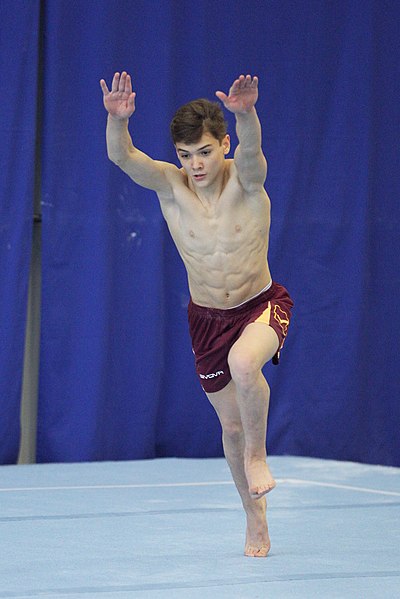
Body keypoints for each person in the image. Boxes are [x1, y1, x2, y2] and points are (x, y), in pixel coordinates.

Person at [100, 71, 293, 557]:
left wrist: (247, 115)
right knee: (228, 426)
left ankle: (258, 455)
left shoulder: (246, 183)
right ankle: (255, 520)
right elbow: (122, 157)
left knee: (246, 364)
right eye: (185, 155)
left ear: (223, 144)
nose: (195, 165)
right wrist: (118, 122)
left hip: (261, 305)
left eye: (205, 152)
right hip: (207, 319)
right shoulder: (171, 187)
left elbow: (252, 154)